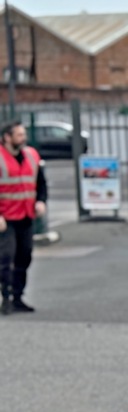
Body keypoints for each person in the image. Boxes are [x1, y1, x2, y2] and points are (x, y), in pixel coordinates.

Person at [0, 121, 48, 315]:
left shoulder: (31, 155)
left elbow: (40, 182)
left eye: (23, 134)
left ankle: (19, 296)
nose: (23, 138)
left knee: (24, 256)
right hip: (6, 219)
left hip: (26, 215)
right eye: (19, 135)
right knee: (6, 258)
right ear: (7, 138)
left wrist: (41, 201)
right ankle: (6, 297)